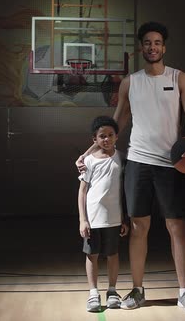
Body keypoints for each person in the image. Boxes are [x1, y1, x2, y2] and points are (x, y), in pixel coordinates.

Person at [75, 21, 185, 313]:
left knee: (177, 226)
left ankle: (184, 291)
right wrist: (89, 151)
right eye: (147, 42)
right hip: (137, 162)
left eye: (157, 42)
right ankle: (138, 290)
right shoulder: (130, 82)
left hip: (170, 165)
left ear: (164, 46)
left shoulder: (180, 78)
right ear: (141, 47)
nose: (152, 47)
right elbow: (115, 124)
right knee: (138, 227)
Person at [77, 115, 130, 312]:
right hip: (93, 219)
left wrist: (125, 217)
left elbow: (124, 191)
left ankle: (112, 291)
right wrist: (83, 220)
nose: (106, 139)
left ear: (117, 136)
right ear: (95, 140)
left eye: (110, 135)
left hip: (114, 218)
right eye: (102, 136)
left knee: (113, 255)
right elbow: (82, 191)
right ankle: (93, 294)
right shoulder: (89, 161)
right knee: (92, 255)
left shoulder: (122, 158)